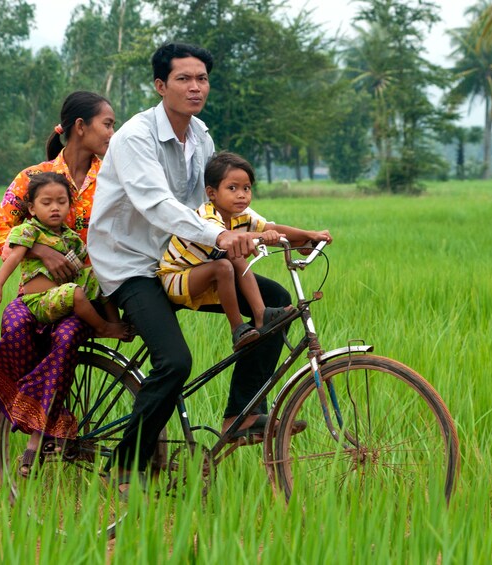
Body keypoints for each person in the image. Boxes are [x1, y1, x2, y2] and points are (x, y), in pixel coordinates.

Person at [89, 42, 329, 493]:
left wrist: (288, 233)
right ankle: (125, 465)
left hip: (184, 254)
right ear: (161, 86)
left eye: (201, 78)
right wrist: (219, 237)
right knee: (175, 361)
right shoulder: (135, 137)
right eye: (183, 78)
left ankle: (240, 414)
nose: (195, 87)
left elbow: (216, 203)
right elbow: (156, 204)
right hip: (131, 264)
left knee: (274, 302)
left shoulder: (201, 137)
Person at [0, 91, 115, 477]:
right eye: (107, 124)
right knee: (14, 326)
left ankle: (43, 419)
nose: (112, 133)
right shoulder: (31, 179)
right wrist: (40, 251)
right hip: (35, 291)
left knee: (66, 337)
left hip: (86, 293)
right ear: (80, 128)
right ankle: (39, 412)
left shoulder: (115, 176)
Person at [157, 151, 332, 351]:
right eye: (232, 188)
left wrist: (309, 235)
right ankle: (237, 329)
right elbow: (228, 239)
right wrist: (261, 238)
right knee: (224, 265)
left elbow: (269, 229)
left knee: (236, 258)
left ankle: (260, 314)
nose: (241, 194)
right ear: (212, 193)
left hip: (205, 274)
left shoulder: (242, 216)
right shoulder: (207, 215)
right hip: (176, 278)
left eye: (246, 188)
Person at [0, 172, 131, 339]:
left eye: (61, 202)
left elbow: (82, 265)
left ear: (69, 206)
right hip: (40, 301)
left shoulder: (71, 237)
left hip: (63, 295)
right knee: (74, 291)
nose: (55, 208)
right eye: (46, 203)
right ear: (32, 208)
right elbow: (14, 257)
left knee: (100, 276)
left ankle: (116, 324)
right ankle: (103, 328)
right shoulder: (28, 231)